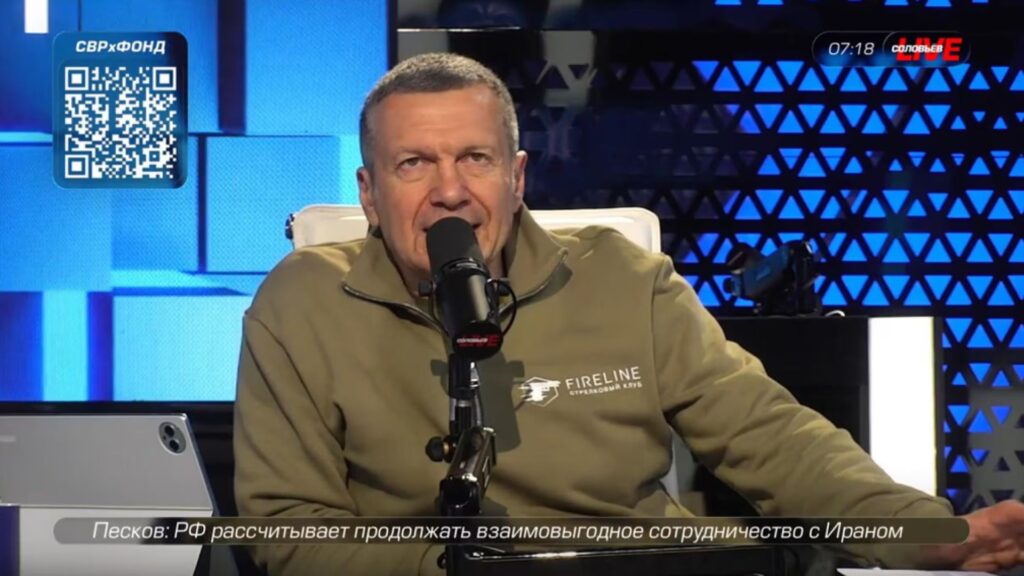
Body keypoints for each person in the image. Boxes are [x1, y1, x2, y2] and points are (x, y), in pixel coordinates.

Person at [233, 52, 1024, 575]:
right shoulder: (302, 302)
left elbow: (772, 438)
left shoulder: (624, 279)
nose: (449, 190)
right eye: (413, 163)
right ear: (370, 194)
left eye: (474, 158)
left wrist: (925, 534)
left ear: (516, 177)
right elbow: (288, 530)